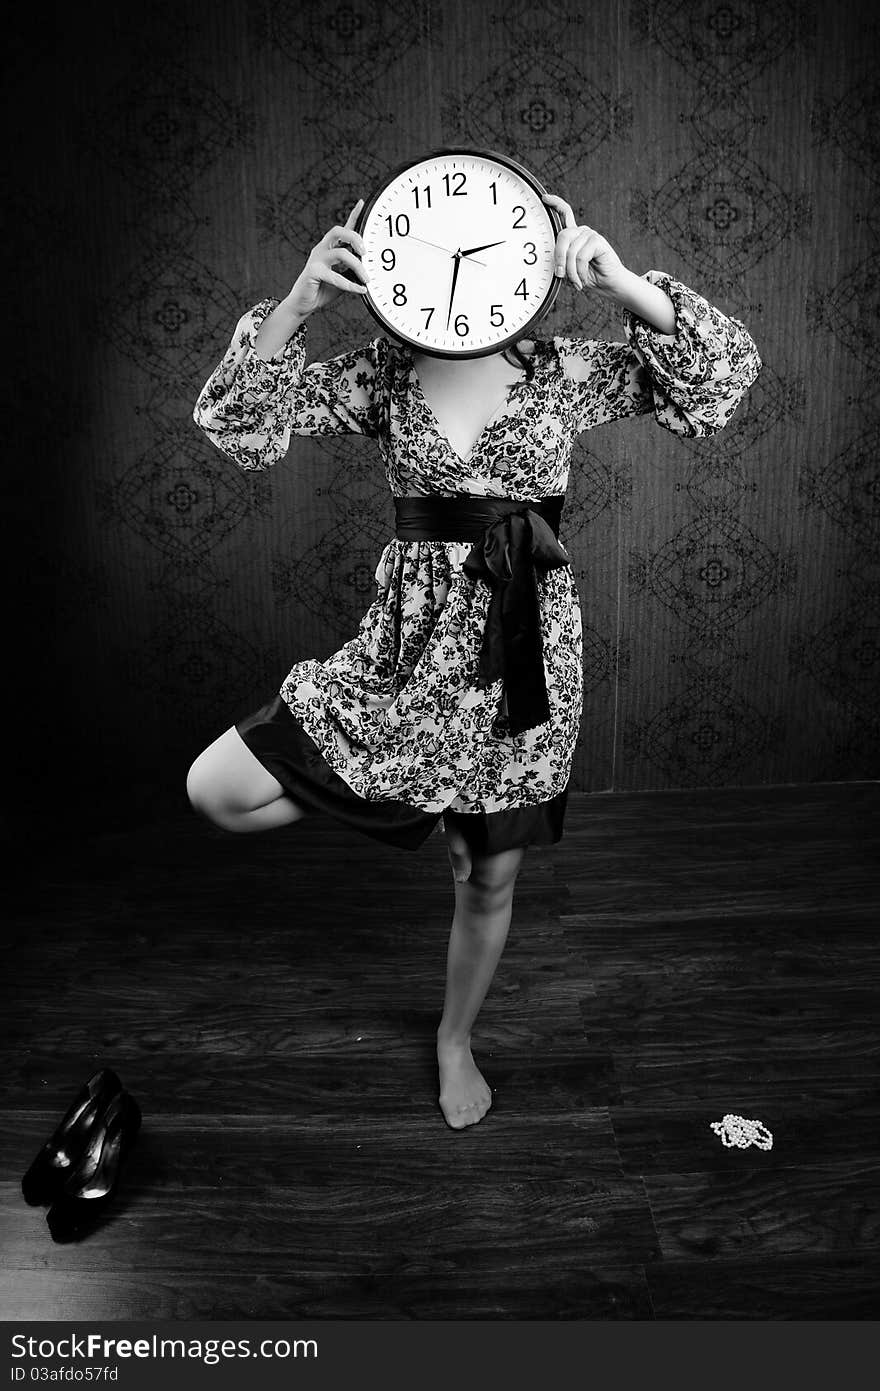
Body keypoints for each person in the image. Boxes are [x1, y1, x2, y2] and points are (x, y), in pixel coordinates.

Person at [187, 181, 762, 1130]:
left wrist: (624, 285)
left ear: (530, 253)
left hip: (523, 649)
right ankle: (402, 783)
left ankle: (455, 1036)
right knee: (219, 787)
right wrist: (296, 303)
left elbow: (720, 376)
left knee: (485, 871)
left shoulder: (566, 369)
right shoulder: (382, 373)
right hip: (403, 653)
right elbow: (238, 421)